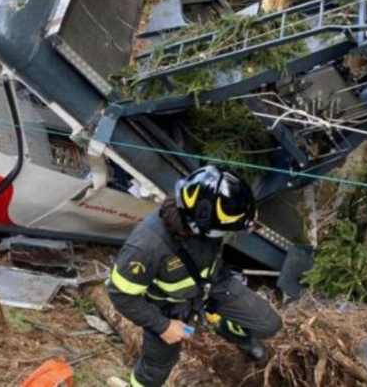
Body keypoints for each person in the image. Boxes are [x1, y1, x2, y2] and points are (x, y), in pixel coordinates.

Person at [108, 165, 282, 387]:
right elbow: (120, 294)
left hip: (213, 285)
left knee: (268, 324)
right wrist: (163, 326)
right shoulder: (146, 247)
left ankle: (227, 327)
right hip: (168, 308)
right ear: (198, 223)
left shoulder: (207, 213)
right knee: (157, 367)